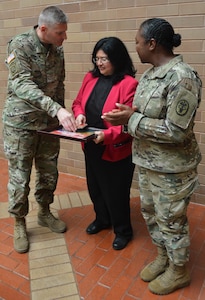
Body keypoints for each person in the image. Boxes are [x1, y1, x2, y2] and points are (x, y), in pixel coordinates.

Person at [102, 18, 202, 294]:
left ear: (152, 43)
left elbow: (175, 131)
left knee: (171, 220)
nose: (135, 47)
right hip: (147, 162)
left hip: (172, 169)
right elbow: (143, 114)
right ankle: (164, 257)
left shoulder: (182, 77)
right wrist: (125, 113)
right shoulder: (150, 75)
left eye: (137, 42)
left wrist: (131, 119)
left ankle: (179, 269)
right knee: (151, 214)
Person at [2, 6, 77, 254]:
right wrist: (56, 109)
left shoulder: (58, 51)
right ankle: (20, 222)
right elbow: (22, 84)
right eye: (60, 33)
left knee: (48, 172)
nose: (64, 37)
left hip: (48, 125)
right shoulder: (19, 46)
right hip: (20, 124)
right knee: (20, 177)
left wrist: (65, 115)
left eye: (64, 32)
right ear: (43, 29)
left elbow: (59, 86)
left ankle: (45, 212)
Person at [72, 37, 138, 250]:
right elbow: (78, 103)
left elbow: (127, 122)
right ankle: (102, 219)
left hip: (114, 149)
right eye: (97, 58)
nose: (99, 64)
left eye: (104, 59)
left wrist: (107, 137)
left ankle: (123, 230)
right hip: (90, 144)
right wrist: (80, 115)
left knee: (116, 192)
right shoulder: (90, 78)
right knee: (95, 187)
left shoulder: (129, 83)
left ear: (117, 59)